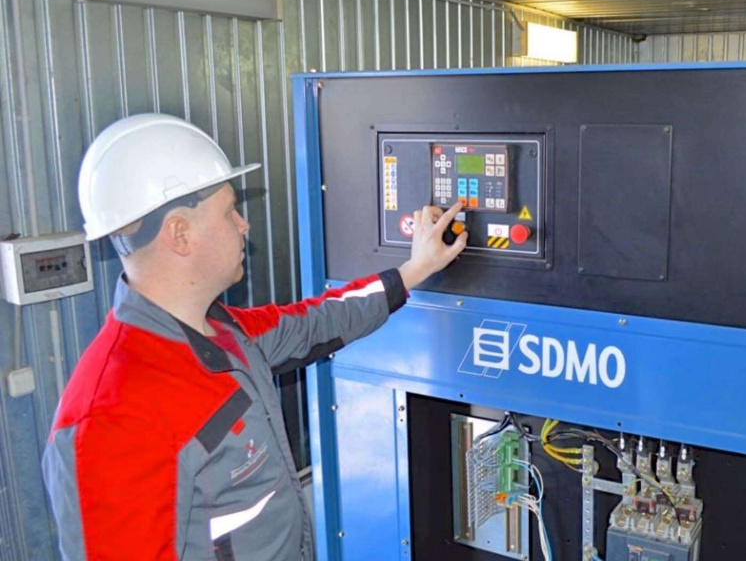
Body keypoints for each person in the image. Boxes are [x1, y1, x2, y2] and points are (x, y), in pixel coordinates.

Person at [41, 113, 467, 560]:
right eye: (229, 211)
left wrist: (414, 270)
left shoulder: (223, 333)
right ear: (179, 235)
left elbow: (315, 322)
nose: (244, 224)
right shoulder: (111, 419)